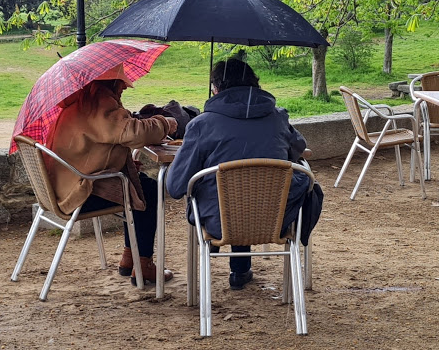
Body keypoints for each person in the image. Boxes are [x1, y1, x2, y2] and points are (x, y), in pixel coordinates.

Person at [167, 58, 321, 290]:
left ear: (216, 89)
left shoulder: (202, 125)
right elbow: (300, 147)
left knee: (227, 194)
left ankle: (235, 273)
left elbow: (175, 186)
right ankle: (240, 271)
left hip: (218, 221)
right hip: (277, 220)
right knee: (254, 190)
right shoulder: (278, 118)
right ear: (255, 84)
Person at [44, 63, 178, 286]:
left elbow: (97, 145)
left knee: (138, 184)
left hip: (62, 187)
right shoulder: (99, 102)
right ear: (110, 82)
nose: (124, 88)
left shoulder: (80, 101)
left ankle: (130, 258)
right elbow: (133, 132)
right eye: (121, 83)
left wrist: (122, 164)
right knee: (148, 191)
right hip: (79, 195)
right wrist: (166, 122)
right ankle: (142, 265)